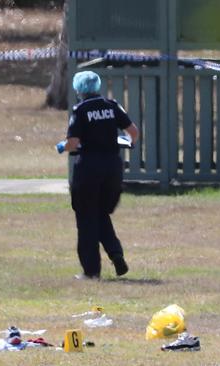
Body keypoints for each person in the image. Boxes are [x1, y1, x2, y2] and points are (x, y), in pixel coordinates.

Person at [64, 71, 139, 280]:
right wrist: (128, 143)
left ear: (78, 89)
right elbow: (133, 132)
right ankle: (116, 254)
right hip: (113, 169)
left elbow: (73, 142)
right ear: (97, 86)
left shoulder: (81, 110)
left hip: (88, 169)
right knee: (100, 213)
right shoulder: (112, 105)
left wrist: (63, 147)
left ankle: (91, 271)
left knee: (86, 218)